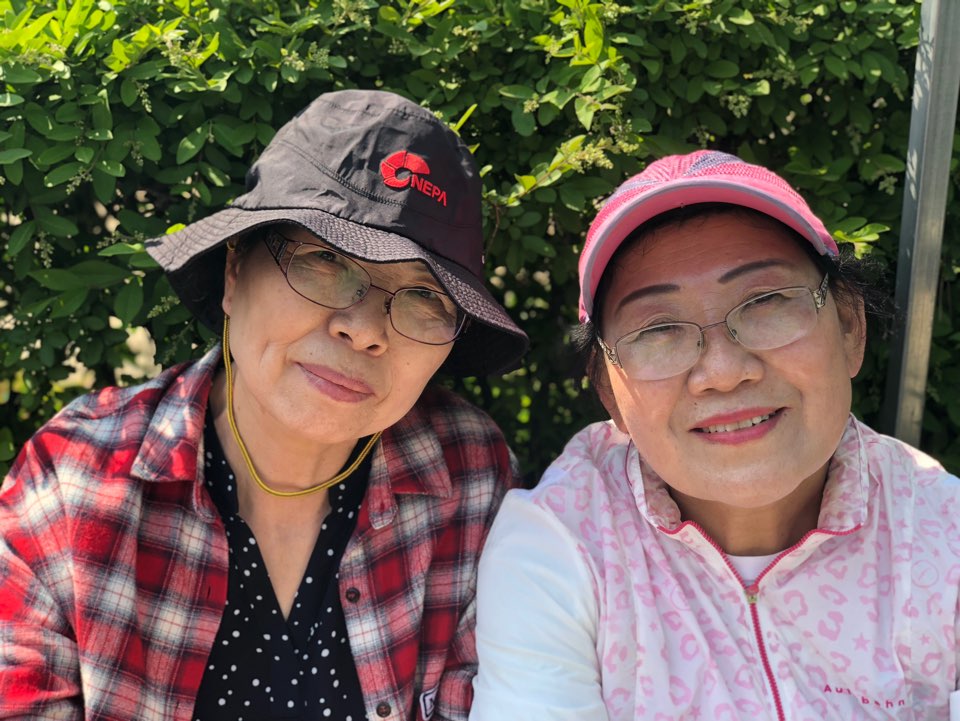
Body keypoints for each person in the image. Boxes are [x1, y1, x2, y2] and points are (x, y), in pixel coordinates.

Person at [0, 89, 528, 721]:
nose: (364, 330)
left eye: (425, 298)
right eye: (324, 261)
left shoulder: (471, 478)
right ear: (234, 273)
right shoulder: (73, 483)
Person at [470, 150, 960, 720]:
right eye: (658, 330)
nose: (724, 372)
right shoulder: (561, 545)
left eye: (766, 302)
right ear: (609, 392)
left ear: (850, 327)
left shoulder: (941, 530)